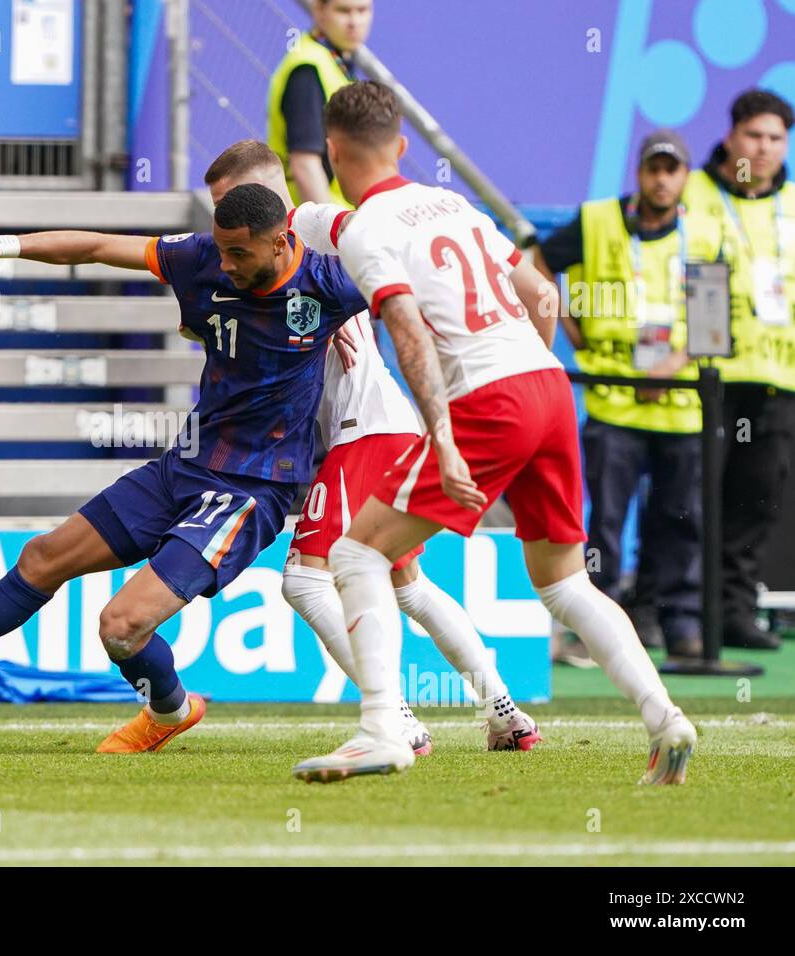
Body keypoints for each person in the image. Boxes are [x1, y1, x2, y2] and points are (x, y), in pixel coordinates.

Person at [0, 184, 367, 753]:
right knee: (41, 558)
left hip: (250, 489)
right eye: (220, 250)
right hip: (185, 464)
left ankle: (169, 709)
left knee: (121, 626)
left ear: (281, 242)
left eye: (238, 254)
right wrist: (0, 246)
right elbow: (97, 246)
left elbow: (414, 296)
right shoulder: (203, 257)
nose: (223, 264)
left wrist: (366, 343)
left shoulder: (329, 284)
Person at [289, 81, 696, 784]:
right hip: (546, 386)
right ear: (403, 145)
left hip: (486, 400)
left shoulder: (367, 230)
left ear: (330, 150)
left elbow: (409, 329)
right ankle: (665, 717)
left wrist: (442, 434)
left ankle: (381, 729)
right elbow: (542, 292)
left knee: (357, 556)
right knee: (565, 584)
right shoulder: (455, 207)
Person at [204, 139, 539, 755]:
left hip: (366, 430)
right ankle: (504, 713)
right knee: (408, 584)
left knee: (304, 583)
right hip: (384, 423)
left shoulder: (313, 236)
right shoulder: (285, 255)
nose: (222, 227)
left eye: (231, 206)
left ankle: (397, 718)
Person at [536, 131, 725, 660]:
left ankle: (679, 624)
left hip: (682, 407)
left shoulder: (706, 233)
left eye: (673, 169)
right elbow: (535, 267)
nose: (662, 179)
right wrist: (568, 327)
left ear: (685, 177)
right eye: (654, 168)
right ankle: (598, 627)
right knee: (606, 524)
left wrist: (670, 367)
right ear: (639, 174)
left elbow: (712, 322)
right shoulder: (597, 222)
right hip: (612, 403)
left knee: (680, 522)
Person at [682, 89, 795, 651]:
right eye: (754, 135)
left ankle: (733, 609)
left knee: (755, 499)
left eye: (776, 137)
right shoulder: (691, 193)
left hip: (776, 378)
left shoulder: (793, 202)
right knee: (688, 494)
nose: (765, 147)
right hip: (705, 377)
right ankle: (675, 609)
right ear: (731, 138)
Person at [267, 0, 374, 205]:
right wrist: (326, 232)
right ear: (319, 10)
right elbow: (305, 164)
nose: (354, 22)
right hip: (313, 226)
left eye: (362, 10)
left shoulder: (334, 62)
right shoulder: (307, 69)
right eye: (343, 11)